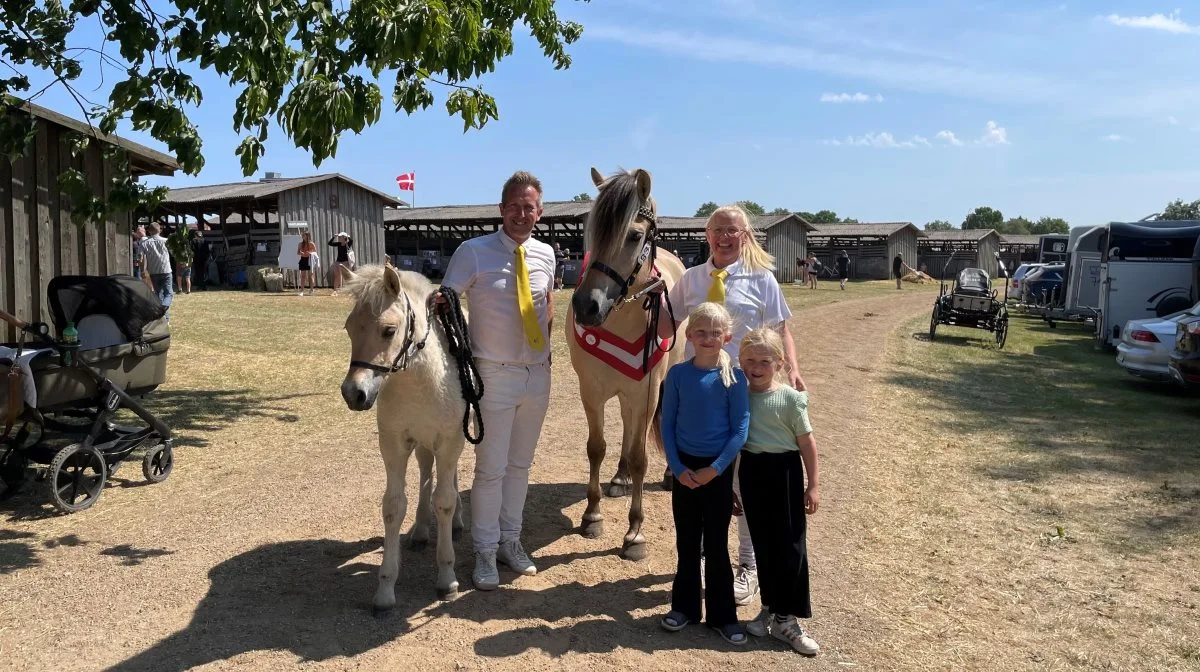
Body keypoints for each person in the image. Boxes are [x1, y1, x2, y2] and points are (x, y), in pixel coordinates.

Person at [670, 203, 806, 607]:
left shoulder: (763, 280)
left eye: (734, 231)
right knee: (702, 474)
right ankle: (700, 556)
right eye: (718, 230)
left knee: (744, 480)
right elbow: (664, 323)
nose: (726, 238)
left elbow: (782, 331)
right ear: (707, 235)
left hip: (746, 390)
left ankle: (748, 565)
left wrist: (793, 370)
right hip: (701, 395)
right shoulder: (691, 279)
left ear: (746, 237)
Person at [439, 170, 555, 591]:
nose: (522, 214)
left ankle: (511, 541)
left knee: (521, 466)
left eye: (529, 207)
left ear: (539, 212)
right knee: (491, 468)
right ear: (501, 209)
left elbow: (547, 306)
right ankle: (485, 551)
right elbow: (447, 301)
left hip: (537, 375)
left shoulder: (546, 254)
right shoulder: (473, 252)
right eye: (514, 207)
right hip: (494, 373)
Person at [659, 302, 750, 646]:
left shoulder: (734, 377)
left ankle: (723, 616)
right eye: (701, 332)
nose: (708, 338)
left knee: (716, 543)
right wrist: (679, 468)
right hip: (684, 468)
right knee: (687, 542)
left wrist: (716, 470)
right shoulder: (678, 375)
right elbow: (666, 425)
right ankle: (684, 607)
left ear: (726, 336)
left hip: (717, 470)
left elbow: (740, 428)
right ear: (690, 335)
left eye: (716, 332)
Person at [737, 328, 821, 656]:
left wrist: (812, 485)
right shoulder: (739, 397)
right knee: (764, 546)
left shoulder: (790, 398)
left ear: (780, 362)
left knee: (791, 547)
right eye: (750, 360)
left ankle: (788, 620)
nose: (756, 367)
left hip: (784, 474)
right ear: (741, 361)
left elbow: (807, 445)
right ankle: (770, 609)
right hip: (753, 474)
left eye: (765, 361)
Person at [141, 223, 174, 320]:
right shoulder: (167, 241)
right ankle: (164, 309)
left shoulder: (144, 243)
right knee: (169, 293)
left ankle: (164, 318)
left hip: (153, 272)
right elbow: (173, 253)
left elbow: (141, 258)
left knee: (158, 294)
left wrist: (143, 270)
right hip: (166, 270)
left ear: (149, 231)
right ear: (160, 230)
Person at [191, 226, 212, 291]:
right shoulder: (205, 241)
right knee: (203, 272)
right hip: (204, 259)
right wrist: (207, 258)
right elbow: (208, 251)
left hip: (196, 259)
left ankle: (199, 286)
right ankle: (203, 286)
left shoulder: (194, 241)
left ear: (195, 235)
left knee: (197, 272)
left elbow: (192, 250)